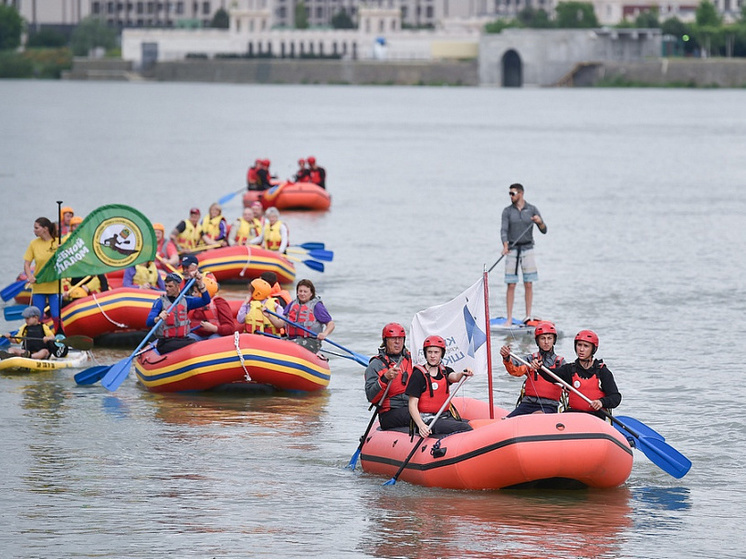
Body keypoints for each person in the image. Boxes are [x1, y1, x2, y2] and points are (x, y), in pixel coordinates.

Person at [500, 183, 547, 327]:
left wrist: (539, 222)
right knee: (511, 284)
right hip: (513, 249)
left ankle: (528, 315)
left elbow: (544, 229)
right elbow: (503, 230)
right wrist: (505, 245)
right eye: (509, 193)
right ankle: (509, 318)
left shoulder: (531, 209)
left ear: (520, 193)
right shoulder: (507, 211)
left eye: (513, 193)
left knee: (528, 283)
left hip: (528, 248)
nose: (511, 196)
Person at [407, 335, 473, 436]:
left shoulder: (445, 371)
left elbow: (454, 377)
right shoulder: (418, 375)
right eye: (430, 352)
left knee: (469, 424)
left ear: (442, 353)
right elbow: (412, 404)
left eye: (436, 352)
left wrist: (463, 373)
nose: (433, 356)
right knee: (465, 428)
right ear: (425, 353)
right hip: (428, 419)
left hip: (445, 416)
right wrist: (421, 425)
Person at [499, 321, 565, 417]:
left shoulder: (560, 363)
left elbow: (568, 382)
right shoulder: (530, 359)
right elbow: (515, 370)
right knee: (507, 420)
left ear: (554, 340)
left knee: (538, 415)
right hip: (527, 404)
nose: (546, 342)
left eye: (549, 338)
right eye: (543, 338)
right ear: (537, 341)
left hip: (549, 406)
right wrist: (507, 358)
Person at [552, 330, 622, 420]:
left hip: (595, 417)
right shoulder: (569, 369)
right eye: (579, 345)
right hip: (573, 415)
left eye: (586, 346)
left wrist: (601, 402)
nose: (581, 349)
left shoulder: (602, 372)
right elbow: (549, 375)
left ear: (593, 349)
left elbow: (616, 397)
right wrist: (538, 366)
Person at [364, 323, 414, 431]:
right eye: (393, 339)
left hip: (411, 407)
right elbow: (371, 397)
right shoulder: (376, 365)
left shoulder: (412, 360)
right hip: (390, 412)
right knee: (417, 414)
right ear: (385, 341)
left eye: (400, 339)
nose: (397, 342)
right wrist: (385, 378)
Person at [146, 271, 211, 354]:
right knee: (193, 345)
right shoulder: (160, 302)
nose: (167, 289)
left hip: (183, 339)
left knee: (194, 343)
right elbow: (148, 322)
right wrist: (158, 318)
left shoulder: (186, 301)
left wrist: (200, 283)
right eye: (166, 286)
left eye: (170, 286)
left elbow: (206, 300)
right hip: (166, 342)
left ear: (177, 287)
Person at [268, 278, 334, 353]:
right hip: (291, 339)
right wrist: (269, 316)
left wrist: (324, 334)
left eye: (305, 292)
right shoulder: (292, 305)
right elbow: (280, 324)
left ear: (311, 293)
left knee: (288, 346)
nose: (302, 294)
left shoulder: (317, 306)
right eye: (300, 291)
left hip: (310, 341)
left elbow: (331, 324)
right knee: (274, 346)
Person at [23, 217, 60, 332]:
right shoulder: (33, 244)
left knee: (55, 315)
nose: (34, 231)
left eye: (36, 228)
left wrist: (62, 250)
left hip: (55, 285)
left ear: (45, 229)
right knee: (38, 317)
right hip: (39, 285)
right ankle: (38, 340)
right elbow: (27, 264)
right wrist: (30, 276)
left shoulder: (58, 242)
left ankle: (60, 338)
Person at [187, 277, 238, 341]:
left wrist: (214, 328)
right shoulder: (192, 303)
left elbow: (230, 328)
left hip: (215, 333)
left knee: (213, 339)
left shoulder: (219, 303)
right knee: (188, 338)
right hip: (196, 334)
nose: (193, 294)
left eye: (195, 292)